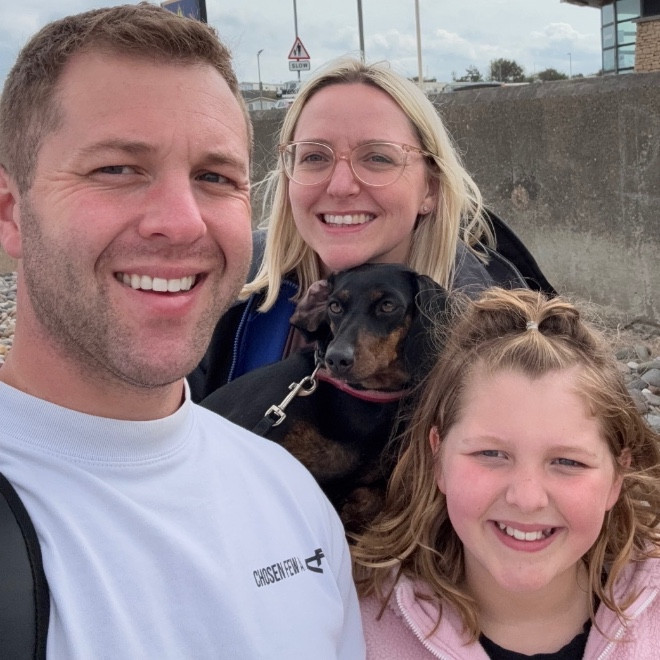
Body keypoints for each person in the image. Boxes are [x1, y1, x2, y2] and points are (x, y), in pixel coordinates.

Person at [0, 5, 364, 657]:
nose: (182, 221)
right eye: (117, 169)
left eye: (214, 178)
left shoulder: (290, 499)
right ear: (10, 214)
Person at [189, 57, 552, 402]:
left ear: (430, 189)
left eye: (378, 157)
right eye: (314, 156)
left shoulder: (496, 337)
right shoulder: (227, 287)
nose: (340, 186)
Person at [353, 288, 660, 658]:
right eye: (491, 454)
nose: (527, 499)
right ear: (438, 457)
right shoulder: (348, 627)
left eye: (568, 462)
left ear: (617, 477)